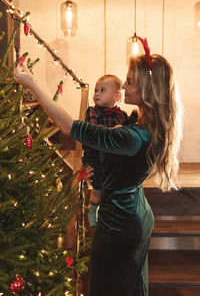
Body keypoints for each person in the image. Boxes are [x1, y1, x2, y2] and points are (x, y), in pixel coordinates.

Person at [14, 37, 182, 296]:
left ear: (146, 90)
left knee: (113, 287)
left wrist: (32, 85)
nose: (123, 86)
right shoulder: (144, 124)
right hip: (135, 212)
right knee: (130, 283)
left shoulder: (131, 136)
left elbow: (69, 127)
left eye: (129, 81)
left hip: (119, 223)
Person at [82, 74, 137, 228]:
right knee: (97, 182)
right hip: (93, 153)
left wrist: (133, 119)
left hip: (112, 155)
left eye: (102, 90)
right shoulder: (93, 111)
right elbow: (92, 129)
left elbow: (128, 131)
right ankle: (92, 208)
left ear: (117, 96)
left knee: (113, 182)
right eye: (96, 90)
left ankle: (108, 212)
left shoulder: (121, 115)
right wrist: (112, 132)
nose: (97, 94)